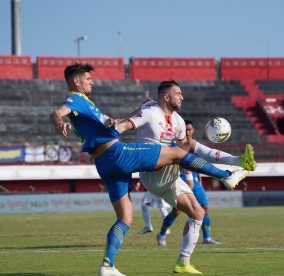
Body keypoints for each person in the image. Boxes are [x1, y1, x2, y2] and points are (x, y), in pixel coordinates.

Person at [50, 63, 249, 276]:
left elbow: (105, 125)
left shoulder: (86, 104)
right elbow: (57, 112)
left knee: (125, 217)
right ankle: (227, 176)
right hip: (116, 153)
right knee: (177, 154)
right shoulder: (76, 99)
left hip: (104, 163)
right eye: (88, 79)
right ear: (77, 81)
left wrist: (110, 121)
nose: (92, 81)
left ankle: (107, 266)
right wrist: (58, 122)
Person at [114, 80, 256, 274]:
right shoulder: (150, 112)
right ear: (166, 96)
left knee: (198, 213)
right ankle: (232, 168)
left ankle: (183, 262)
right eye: (178, 93)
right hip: (151, 171)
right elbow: (124, 126)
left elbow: (186, 152)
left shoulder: (179, 121)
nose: (182, 97)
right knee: (189, 145)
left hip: (169, 176)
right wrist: (112, 131)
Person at [157, 120, 229, 246]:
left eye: (190, 129)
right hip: (180, 180)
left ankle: (207, 237)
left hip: (195, 181)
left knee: (204, 207)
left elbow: (199, 164)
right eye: (185, 130)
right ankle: (161, 234)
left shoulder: (195, 146)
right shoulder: (175, 145)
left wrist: (199, 180)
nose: (187, 132)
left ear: (193, 130)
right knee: (177, 212)